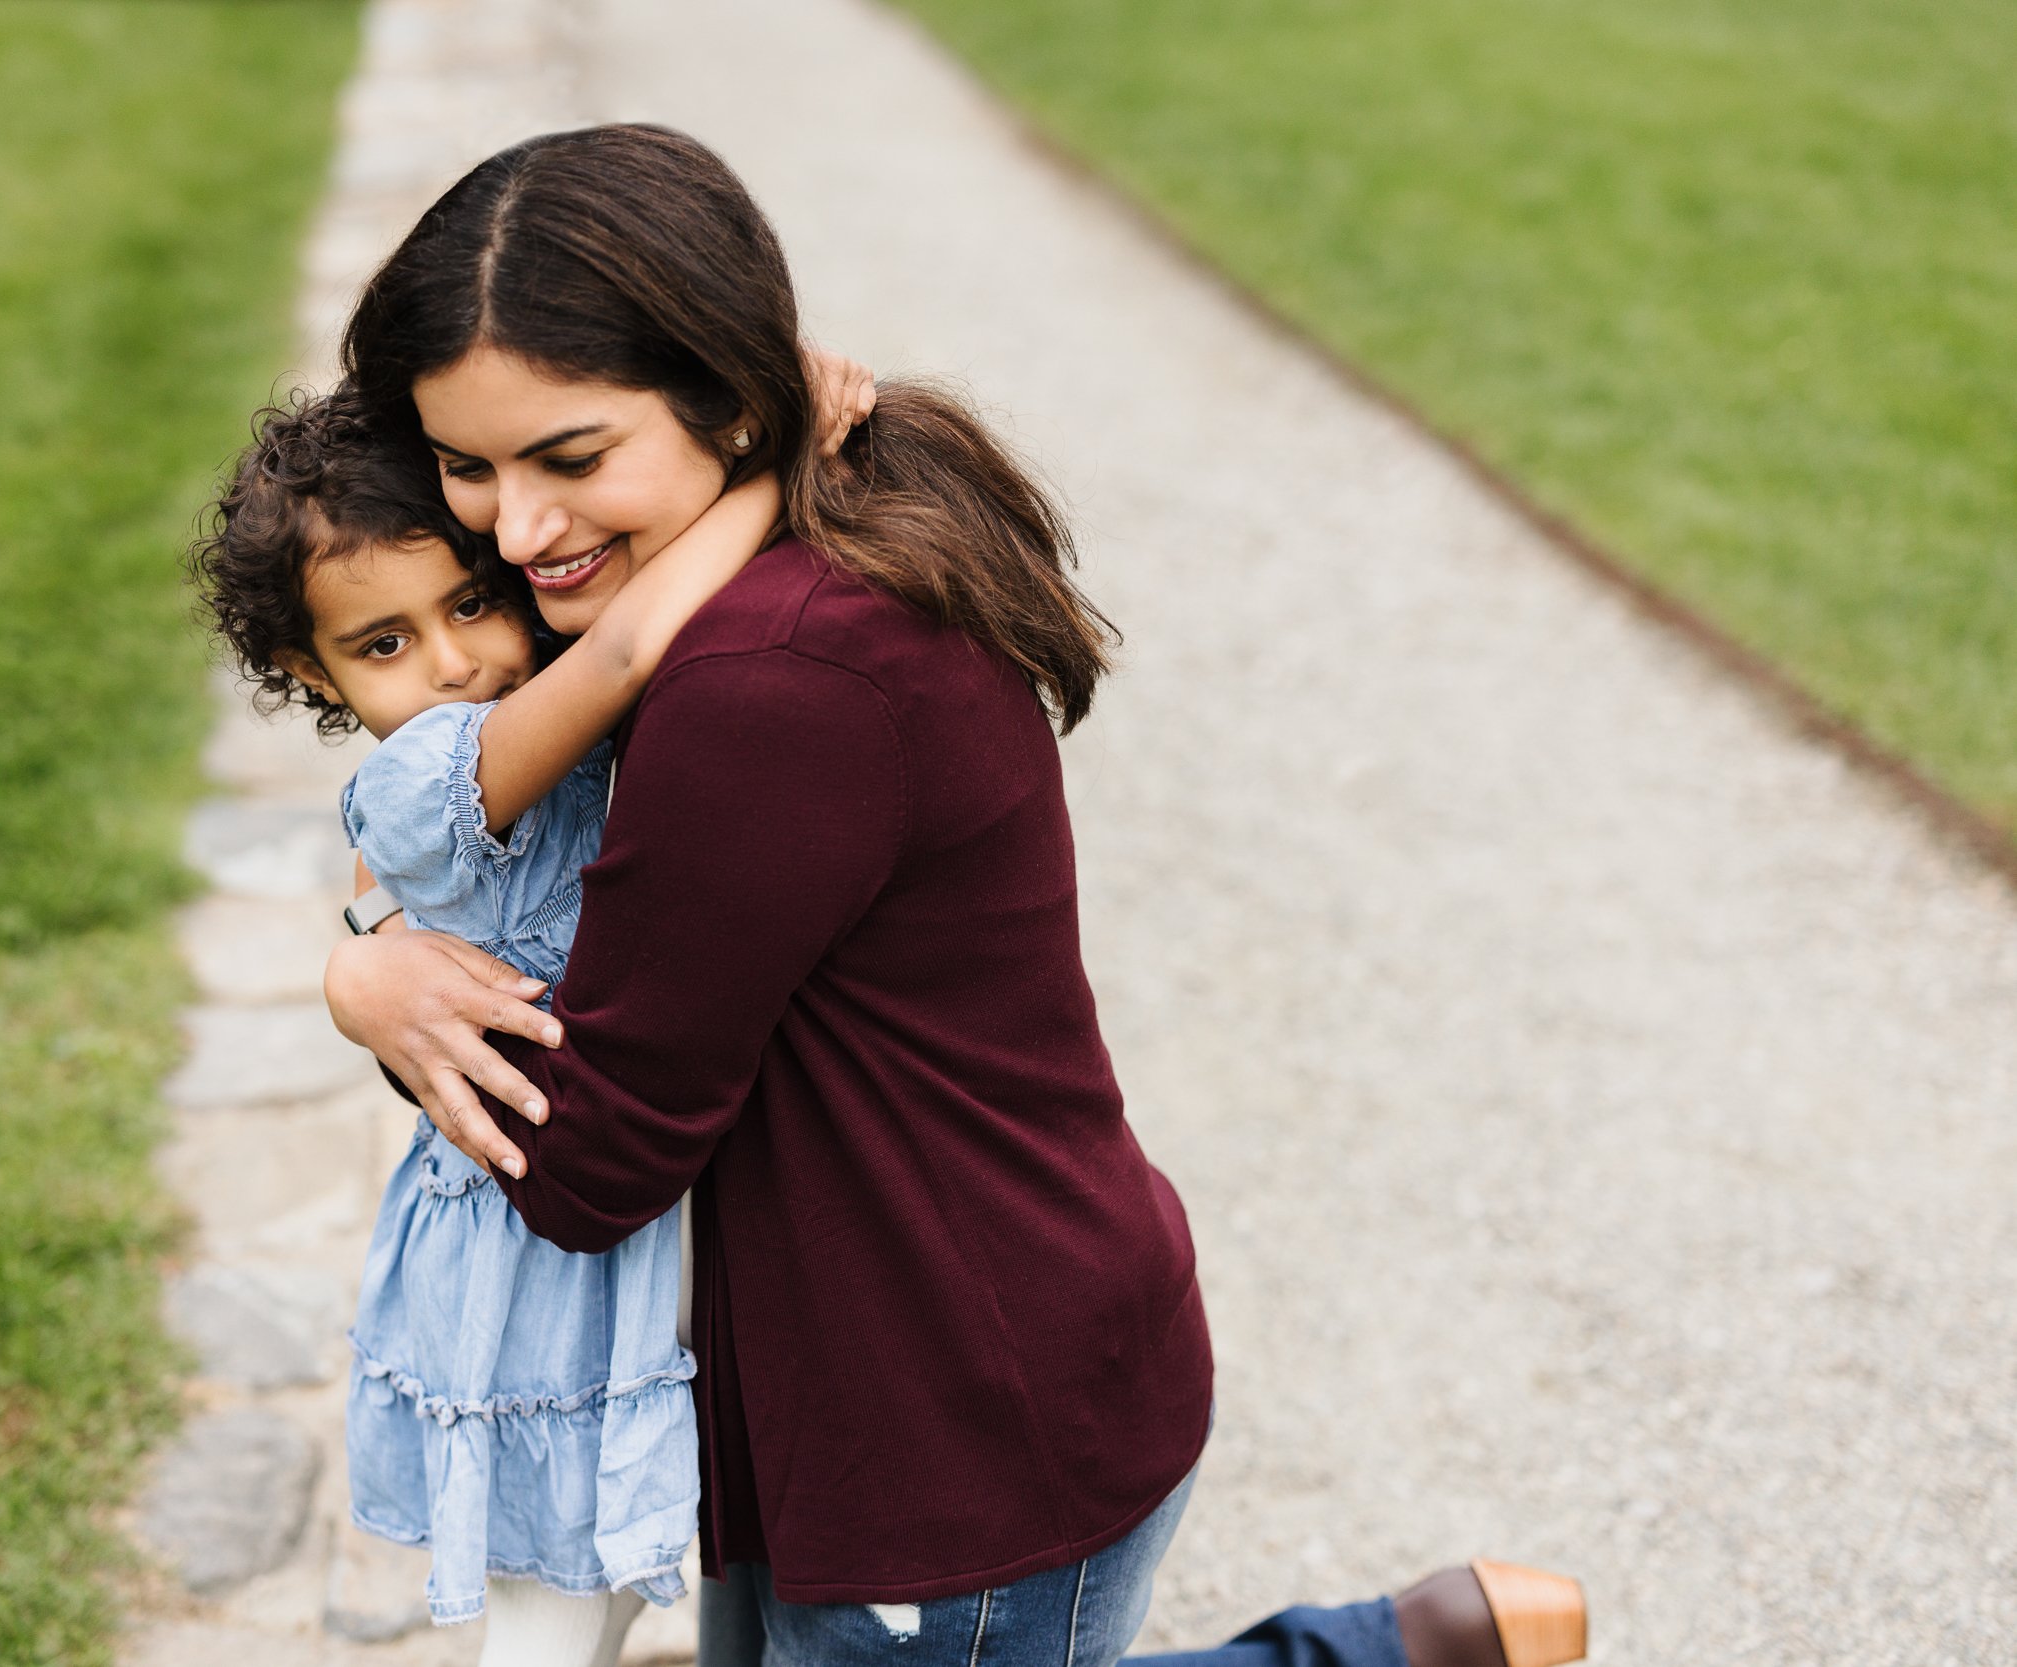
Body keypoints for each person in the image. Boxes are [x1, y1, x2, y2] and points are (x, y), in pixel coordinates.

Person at [319, 123, 1587, 1667]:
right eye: (468, 467)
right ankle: (1419, 1644)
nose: (514, 532)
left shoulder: (767, 678)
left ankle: (1379, 1653)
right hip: (873, 1364)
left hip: (941, 1427)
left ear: (731, 399)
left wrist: (381, 990)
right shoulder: (807, 523)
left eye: (571, 460)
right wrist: (374, 937)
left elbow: (589, 1161)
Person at [192, 380, 844, 1666]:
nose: (449, 661)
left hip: (645, 1220)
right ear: (302, 670)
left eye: (472, 600)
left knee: (635, 1583)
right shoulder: (425, 779)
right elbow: (623, 646)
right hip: (536, 1257)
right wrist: (780, 463)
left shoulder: (554, 734)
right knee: (547, 1635)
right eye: (380, 644)